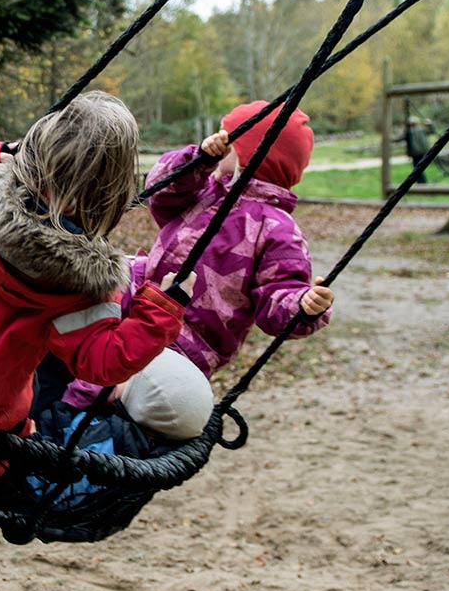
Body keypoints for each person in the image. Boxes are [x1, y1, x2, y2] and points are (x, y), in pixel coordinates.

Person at [0, 91, 192, 491]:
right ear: (112, 194)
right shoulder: (86, 284)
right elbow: (102, 361)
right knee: (23, 403)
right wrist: (162, 308)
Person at [77, 101, 334, 394]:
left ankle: (76, 419)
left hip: (188, 341)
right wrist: (197, 160)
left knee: (111, 388)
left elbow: (279, 291)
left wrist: (303, 306)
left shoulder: (277, 228)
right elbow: (160, 191)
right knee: (79, 302)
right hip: (136, 296)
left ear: (248, 155)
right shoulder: (203, 191)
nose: (218, 141)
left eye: (226, 137)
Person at [25, 348, 212, 512]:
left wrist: (32, 440)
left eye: (127, 377)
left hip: (31, 464)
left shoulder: (103, 442)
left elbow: (50, 491)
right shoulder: (149, 436)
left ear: (137, 403)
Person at [405, 116, 430, 183]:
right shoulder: (423, 129)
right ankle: (420, 180)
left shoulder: (409, 132)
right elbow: (431, 130)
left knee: (417, 167)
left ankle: (422, 181)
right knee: (419, 166)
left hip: (415, 152)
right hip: (424, 151)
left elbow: (405, 141)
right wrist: (429, 123)